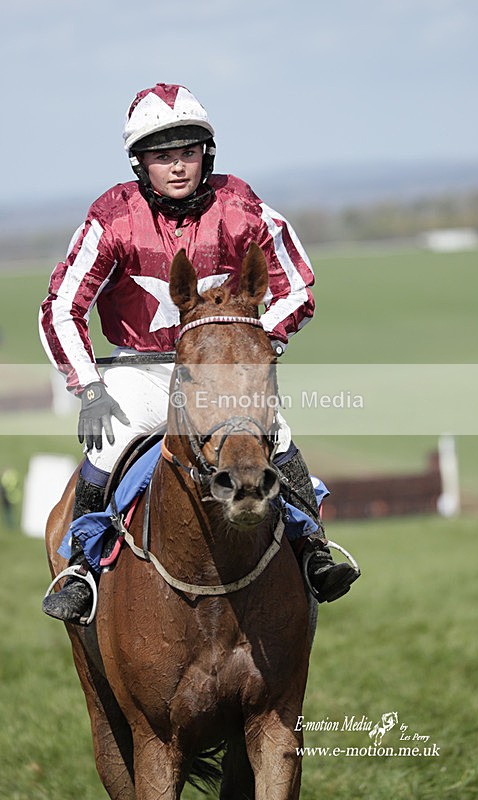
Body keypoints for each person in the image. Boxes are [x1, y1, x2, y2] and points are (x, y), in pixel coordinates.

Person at [40, 83, 359, 623]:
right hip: (138, 371)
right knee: (108, 445)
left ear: (205, 154)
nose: (178, 168)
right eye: (163, 157)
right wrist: (89, 386)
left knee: (275, 436)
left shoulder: (241, 206)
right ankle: (82, 569)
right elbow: (61, 305)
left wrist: (263, 342)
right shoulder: (111, 217)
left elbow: (297, 286)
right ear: (141, 164)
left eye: (187, 153)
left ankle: (313, 550)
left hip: (219, 370)